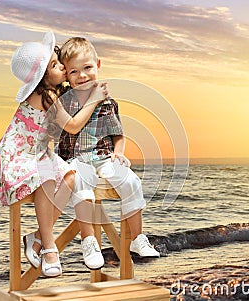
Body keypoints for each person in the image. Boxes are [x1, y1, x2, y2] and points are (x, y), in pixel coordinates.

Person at [0, 30, 108, 277]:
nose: (62, 65)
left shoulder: (54, 92)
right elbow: (72, 125)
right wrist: (93, 99)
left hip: (37, 152)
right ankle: (49, 248)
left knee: (70, 177)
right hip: (19, 154)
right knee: (46, 179)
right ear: (42, 77)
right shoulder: (45, 95)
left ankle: (38, 236)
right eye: (55, 64)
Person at [57, 37, 160, 270]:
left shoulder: (108, 102)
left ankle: (137, 238)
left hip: (103, 156)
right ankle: (89, 240)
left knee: (130, 180)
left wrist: (119, 153)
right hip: (76, 158)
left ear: (98, 65)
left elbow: (118, 134)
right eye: (74, 71)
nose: (82, 76)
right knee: (82, 181)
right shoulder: (65, 100)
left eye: (87, 68)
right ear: (66, 75)